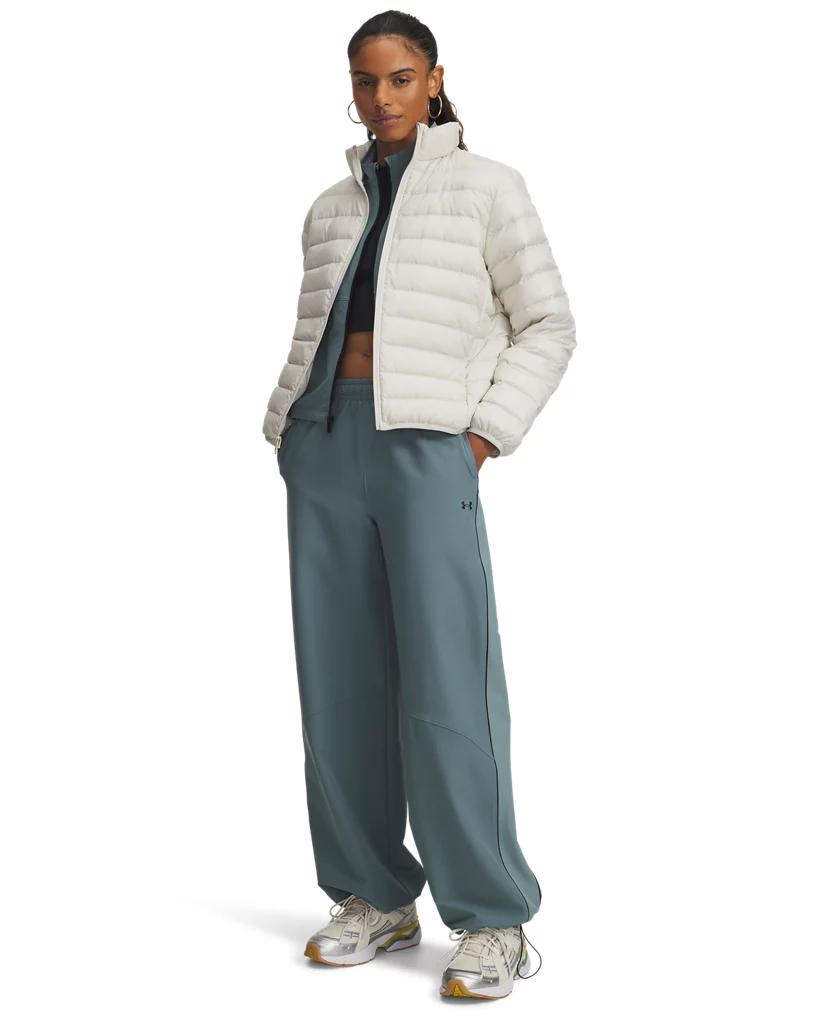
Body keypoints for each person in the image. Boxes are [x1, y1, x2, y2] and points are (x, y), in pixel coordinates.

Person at [262, 11, 576, 1001]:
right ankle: (372, 892)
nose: (382, 96)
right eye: (365, 80)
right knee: (338, 681)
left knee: (448, 683)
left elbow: (548, 323)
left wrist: (481, 436)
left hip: (429, 450)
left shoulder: (488, 188)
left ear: (434, 79)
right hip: (325, 445)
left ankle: (492, 916)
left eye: (400, 77)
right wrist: (290, 432)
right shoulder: (329, 206)